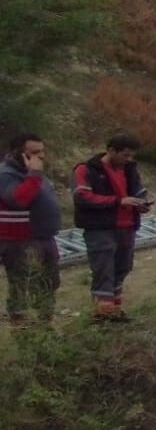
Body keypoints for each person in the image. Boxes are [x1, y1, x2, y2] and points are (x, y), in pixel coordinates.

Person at [73, 133, 150, 322]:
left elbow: (139, 191)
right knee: (103, 270)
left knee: (122, 268)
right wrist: (118, 201)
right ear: (111, 150)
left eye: (132, 156)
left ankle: (114, 312)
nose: (129, 160)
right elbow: (82, 197)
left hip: (127, 227)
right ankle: (102, 316)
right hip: (100, 228)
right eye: (125, 155)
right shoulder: (86, 169)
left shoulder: (130, 170)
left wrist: (142, 203)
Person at [1, 134, 62, 327]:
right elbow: (19, 200)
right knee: (22, 287)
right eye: (35, 152)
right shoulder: (6, 175)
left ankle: (45, 328)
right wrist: (34, 175)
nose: (41, 156)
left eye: (42, 151)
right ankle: (23, 333)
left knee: (48, 284)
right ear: (19, 153)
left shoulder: (34, 173)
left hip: (44, 237)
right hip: (21, 241)